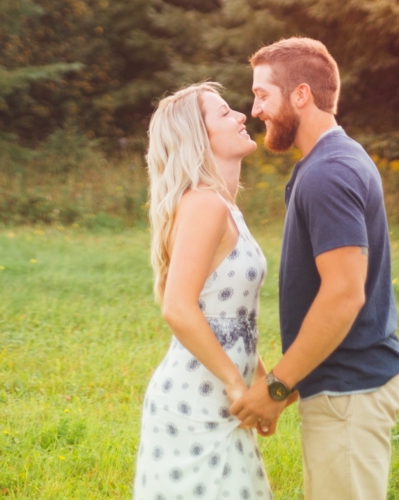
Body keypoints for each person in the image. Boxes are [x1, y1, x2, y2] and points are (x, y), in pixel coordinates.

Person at [231, 38, 399, 500]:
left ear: (301, 94)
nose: (255, 110)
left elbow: (344, 294)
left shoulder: (329, 172)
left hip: (350, 389)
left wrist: (276, 386)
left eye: (263, 95)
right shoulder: (332, 161)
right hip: (343, 384)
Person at [134, 83, 285, 500]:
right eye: (224, 113)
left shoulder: (225, 207)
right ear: (198, 137)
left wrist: (260, 384)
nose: (241, 115)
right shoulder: (205, 204)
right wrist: (236, 384)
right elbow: (178, 307)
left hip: (223, 403)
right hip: (193, 407)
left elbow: (230, 317)